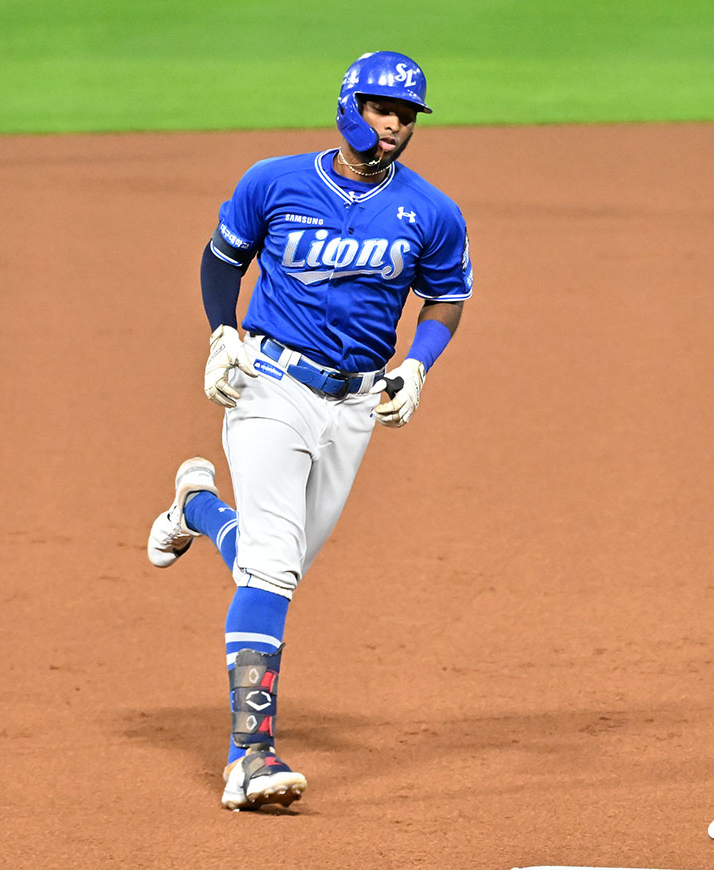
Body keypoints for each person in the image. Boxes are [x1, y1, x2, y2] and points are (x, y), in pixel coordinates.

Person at [145, 50, 473, 811]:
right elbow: (223, 257)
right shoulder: (275, 181)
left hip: (354, 407)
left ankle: (196, 506)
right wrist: (221, 333)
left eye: (407, 116)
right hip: (271, 385)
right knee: (272, 571)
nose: (394, 126)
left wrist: (417, 366)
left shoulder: (431, 211)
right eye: (383, 108)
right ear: (349, 104)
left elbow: (447, 296)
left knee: (277, 558)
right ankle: (247, 759)